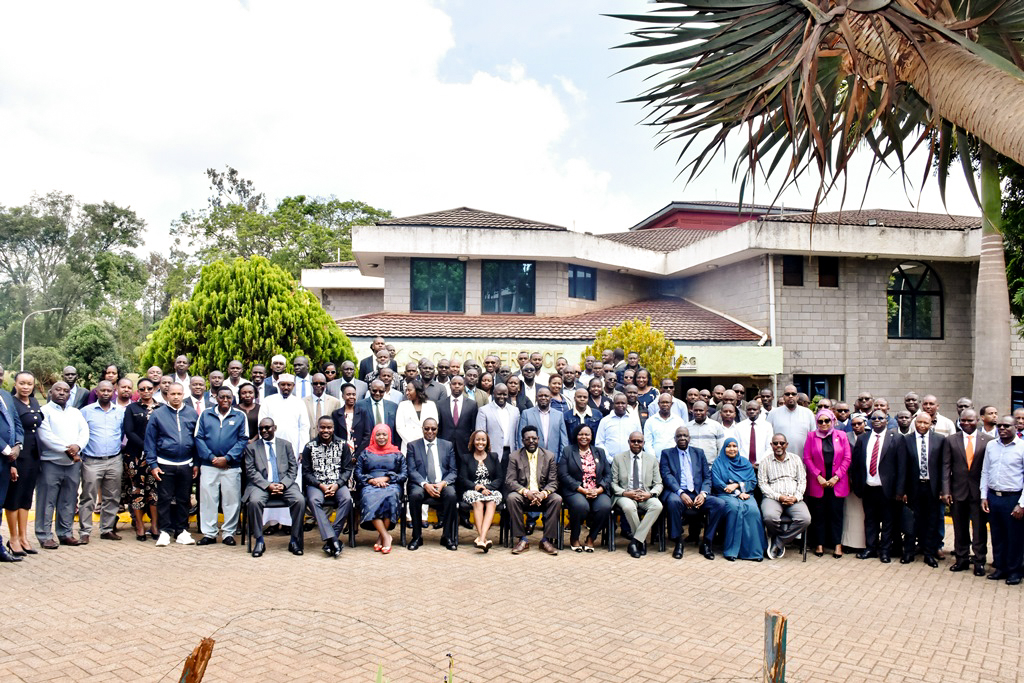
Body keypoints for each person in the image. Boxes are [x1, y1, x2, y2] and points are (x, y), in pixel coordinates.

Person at [35, 382, 89, 550]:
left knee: (68, 500)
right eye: (58, 390)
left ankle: (65, 533)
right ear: (51, 392)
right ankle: (44, 535)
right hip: (51, 462)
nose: (62, 393)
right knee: (47, 501)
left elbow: (84, 431)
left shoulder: (75, 412)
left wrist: (78, 446)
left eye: (66, 391)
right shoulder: (44, 411)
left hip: (72, 464)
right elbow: (45, 436)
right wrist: (68, 449)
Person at [145, 382, 199, 547]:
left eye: (179, 394)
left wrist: (196, 462)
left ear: (183, 394)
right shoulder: (158, 414)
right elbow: (150, 441)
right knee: (165, 499)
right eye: (172, 394)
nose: (176, 397)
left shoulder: (191, 413)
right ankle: (165, 532)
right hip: (164, 464)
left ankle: (181, 531)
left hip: (186, 464)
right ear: (167, 395)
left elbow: (197, 439)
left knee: (184, 499)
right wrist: (153, 464)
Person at [194, 386, 249, 545]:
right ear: (215, 398)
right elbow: (199, 438)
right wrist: (212, 458)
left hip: (230, 466)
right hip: (209, 465)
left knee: (231, 500)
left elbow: (243, 439)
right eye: (222, 397)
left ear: (233, 399)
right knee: (208, 500)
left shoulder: (240, 415)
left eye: (228, 397)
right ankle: (209, 534)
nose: (225, 400)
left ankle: (228, 534)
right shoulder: (205, 414)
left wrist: (228, 458)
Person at [244, 418, 306, 558]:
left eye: (267, 428)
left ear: (275, 428)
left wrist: (283, 484)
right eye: (261, 428)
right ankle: (259, 540)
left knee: (299, 500)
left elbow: (293, 468)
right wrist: (268, 485)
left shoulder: (285, 445)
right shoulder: (251, 448)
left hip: (285, 484)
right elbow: (251, 471)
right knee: (254, 502)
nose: (264, 431)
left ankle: (294, 540)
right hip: (261, 485)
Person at [660, 426, 723, 560]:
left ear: (689, 438)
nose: (682, 438)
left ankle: (707, 543)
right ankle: (678, 542)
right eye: (679, 436)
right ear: (675, 438)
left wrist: (704, 493)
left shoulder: (699, 453)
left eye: (685, 435)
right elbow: (667, 476)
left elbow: (707, 476)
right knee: (673, 502)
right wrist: (681, 492)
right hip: (677, 492)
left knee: (719, 503)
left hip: (697, 493)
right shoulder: (667, 453)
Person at [258, 373, 310, 533]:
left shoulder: (299, 403)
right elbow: (262, 425)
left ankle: (289, 523)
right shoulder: (268, 401)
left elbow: (304, 427)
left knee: (291, 485)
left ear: (293, 386)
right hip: (271, 449)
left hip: (293, 450)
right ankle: (273, 523)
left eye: (289, 385)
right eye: (283, 385)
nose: (286, 388)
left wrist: (302, 450)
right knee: (272, 480)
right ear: (277, 385)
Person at [850, 410, 905, 563]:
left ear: (887, 420)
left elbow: (901, 467)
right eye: (873, 418)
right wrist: (857, 486)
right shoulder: (863, 439)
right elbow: (856, 465)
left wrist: (900, 490)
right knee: (870, 520)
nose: (877, 420)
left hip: (887, 489)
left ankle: (885, 551)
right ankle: (870, 548)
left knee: (888, 522)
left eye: (880, 418)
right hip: (868, 487)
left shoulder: (897, 438)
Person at [941, 409, 991, 575]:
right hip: (958, 491)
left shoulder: (988, 441)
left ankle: (979, 561)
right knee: (959, 528)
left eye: (970, 420)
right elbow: (946, 466)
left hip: (978, 493)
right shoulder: (951, 440)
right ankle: (961, 559)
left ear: (977, 420)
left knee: (979, 529)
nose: (966, 423)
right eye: (963, 421)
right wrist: (946, 491)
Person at [78, 380, 126, 543]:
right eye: (102, 390)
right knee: (88, 497)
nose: (106, 393)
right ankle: (85, 531)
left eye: (109, 390)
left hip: (114, 459)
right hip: (92, 461)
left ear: (114, 392)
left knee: (112, 496)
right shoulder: (86, 412)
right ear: (96, 392)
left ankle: (107, 529)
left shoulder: (119, 411)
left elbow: (123, 433)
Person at [301, 416, 354, 558]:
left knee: (347, 500)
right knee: (313, 501)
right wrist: (320, 485)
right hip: (317, 485)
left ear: (333, 428)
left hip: (337, 483)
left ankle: (332, 538)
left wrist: (337, 485)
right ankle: (333, 540)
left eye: (329, 427)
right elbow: (306, 472)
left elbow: (347, 469)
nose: (326, 430)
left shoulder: (342, 445)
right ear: (317, 428)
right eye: (322, 427)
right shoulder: (309, 447)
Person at [980, 416, 1024, 584]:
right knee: (997, 536)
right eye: (1000, 426)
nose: (1002, 428)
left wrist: (1022, 504)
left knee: (1015, 537)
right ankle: (1001, 568)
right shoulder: (991, 445)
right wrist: (984, 496)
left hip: (1013, 498)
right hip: (993, 497)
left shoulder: (1022, 447)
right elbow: (985, 471)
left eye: (1007, 426)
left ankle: (1015, 571)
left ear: (1016, 427)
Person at [803, 408, 851, 558]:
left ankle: (837, 545)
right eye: (820, 421)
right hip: (819, 483)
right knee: (819, 515)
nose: (823, 424)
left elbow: (847, 458)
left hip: (838, 482)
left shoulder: (842, 435)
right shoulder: (811, 436)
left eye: (827, 420)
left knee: (836, 515)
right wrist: (818, 477)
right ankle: (819, 545)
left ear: (832, 421)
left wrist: (836, 477)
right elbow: (807, 458)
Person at [505, 425, 561, 555]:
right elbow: (510, 481)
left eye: (534, 438)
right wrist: (526, 492)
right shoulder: (515, 456)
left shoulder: (549, 456)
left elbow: (553, 482)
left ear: (538, 439)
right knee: (512, 498)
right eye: (528, 439)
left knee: (557, 499)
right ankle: (522, 539)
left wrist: (543, 494)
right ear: (522, 440)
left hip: (543, 495)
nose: (531, 441)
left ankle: (546, 540)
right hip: (524, 495)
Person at [406, 418, 458, 551]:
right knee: (415, 495)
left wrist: (443, 483)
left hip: (442, 484)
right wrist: (425, 485)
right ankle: (417, 536)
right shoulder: (413, 446)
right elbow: (411, 470)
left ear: (437, 429)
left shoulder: (447, 445)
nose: (430, 431)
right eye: (427, 428)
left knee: (451, 495)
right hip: (421, 484)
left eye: (433, 429)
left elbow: (453, 471)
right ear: (422, 429)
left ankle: (447, 536)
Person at [4, 372, 41, 556]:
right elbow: (12, 429)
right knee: (14, 498)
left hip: (34, 455)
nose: (26, 387)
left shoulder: (34, 402)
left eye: (29, 384)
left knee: (26, 498)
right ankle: (13, 538)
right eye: (22, 383)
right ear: (15, 384)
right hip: (17, 456)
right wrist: (12, 462)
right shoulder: (11, 402)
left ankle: (24, 537)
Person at [712, 437, 767, 561]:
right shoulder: (718, 463)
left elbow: (752, 481)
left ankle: (754, 551)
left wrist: (738, 485)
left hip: (746, 494)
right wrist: (737, 493)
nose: (732, 449)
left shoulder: (745, 462)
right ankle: (732, 551)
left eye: (734, 446)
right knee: (734, 509)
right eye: (729, 446)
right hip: (725, 495)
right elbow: (717, 483)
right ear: (724, 448)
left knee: (753, 511)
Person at [355, 424, 407, 554]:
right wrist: (371, 480)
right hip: (370, 485)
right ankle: (385, 536)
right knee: (369, 497)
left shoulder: (397, 454)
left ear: (389, 436)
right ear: (373, 436)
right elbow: (358, 473)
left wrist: (386, 479)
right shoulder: (366, 453)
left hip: (391, 485)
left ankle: (381, 537)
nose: (381, 437)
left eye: (384, 434)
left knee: (391, 496)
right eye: (378, 434)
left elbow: (404, 475)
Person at [558, 424, 611, 552]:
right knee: (581, 506)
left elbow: (608, 475)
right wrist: (582, 489)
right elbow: (563, 474)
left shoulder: (600, 452)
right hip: (575, 490)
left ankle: (591, 538)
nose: (584, 437)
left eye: (587, 434)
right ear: (576, 436)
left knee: (605, 506)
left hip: (597, 490)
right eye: (580, 434)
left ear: (591, 436)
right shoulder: (568, 451)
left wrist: (599, 490)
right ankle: (574, 537)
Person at [611, 431, 663, 558]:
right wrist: (625, 493)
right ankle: (641, 541)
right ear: (628, 442)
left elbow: (659, 484)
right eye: (633, 441)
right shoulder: (618, 458)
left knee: (657, 506)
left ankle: (635, 541)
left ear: (643, 443)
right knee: (629, 507)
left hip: (645, 494)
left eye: (639, 441)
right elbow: (613, 483)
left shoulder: (651, 459)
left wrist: (649, 494)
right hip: (625, 494)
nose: (636, 444)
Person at [902, 412, 945, 567]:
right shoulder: (906, 440)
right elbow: (902, 467)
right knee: (911, 521)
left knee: (931, 522)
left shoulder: (940, 440)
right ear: (915, 422)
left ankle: (929, 554)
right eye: (919, 422)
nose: (921, 425)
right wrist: (903, 490)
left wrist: (943, 489)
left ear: (931, 424)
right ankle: (908, 552)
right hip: (913, 487)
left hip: (932, 488)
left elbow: (943, 467)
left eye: (925, 423)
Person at [758, 434, 810, 559]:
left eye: (781, 443)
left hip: (794, 498)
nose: (778, 446)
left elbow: (802, 480)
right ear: (771, 445)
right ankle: (775, 535)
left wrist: (796, 497)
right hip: (773, 498)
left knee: (805, 519)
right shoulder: (765, 462)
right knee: (770, 517)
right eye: (775, 443)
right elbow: (762, 483)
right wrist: (778, 497)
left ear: (786, 444)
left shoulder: (796, 459)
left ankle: (780, 541)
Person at [122, 378, 160, 540]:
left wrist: (154, 449)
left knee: (154, 491)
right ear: (138, 391)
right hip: (135, 456)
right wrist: (147, 447)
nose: (146, 392)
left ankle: (155, 525)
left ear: (154, 389)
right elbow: (129, 432)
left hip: (156, 457)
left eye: (149, 388)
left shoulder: (161, 408)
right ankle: (139, 525)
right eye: (142, 389)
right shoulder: (132, 408)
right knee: (137, 490)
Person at [458, 429, 503, 551]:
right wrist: (477, 487)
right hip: (472, 489)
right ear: (473, 441)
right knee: (477, 502)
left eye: (483, 440)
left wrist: (487, 488)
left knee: (492, 502)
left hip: (490, 490)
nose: (480, 442)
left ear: (487, 442)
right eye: (478, 439)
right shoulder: (465, 458)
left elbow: (499, 478)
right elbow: (462, 478)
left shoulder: (493, 457)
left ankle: (481, 539)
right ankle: (483, 539)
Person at [475, 383, 520, 471]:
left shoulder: (515, 410)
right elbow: (480, 433)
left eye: (504, 394)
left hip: (510, 453)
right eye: (499, 394)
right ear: (493, 394)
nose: (502, 397)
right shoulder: (484, 410)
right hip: (491, 453)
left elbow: (517, 433)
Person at [516, 387, 569, 461]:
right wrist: (523, 459)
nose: (543, 398)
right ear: (536, 398)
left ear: (551, 398)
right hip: (531, 458)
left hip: (553, 459)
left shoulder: (559, 415)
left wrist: (561, 460)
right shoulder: (526, 414)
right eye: (540, 396)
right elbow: (520, 438)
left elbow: (564, 441)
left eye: (546, 396)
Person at [768, 384, 816, 459]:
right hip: (778, 459)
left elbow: (813, 438)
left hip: (803, 459)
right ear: (783, 397)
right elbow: (768, 437)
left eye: (793, 394)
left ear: (797, 397)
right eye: (787, 394)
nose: (790, 396)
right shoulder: (773, 413)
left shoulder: (808, 413)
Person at [595, 393, 641, 464]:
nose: (620, 405)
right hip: (609, 462)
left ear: (627, 404)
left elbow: (639, 441)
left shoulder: (634, 420)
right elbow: (599, 443)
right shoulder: (605, 421)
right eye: (617, 403)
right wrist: (610, 459)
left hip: (630, 462)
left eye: (623, 403)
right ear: (613, 404)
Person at [395, 379, 439, 451]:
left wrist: (424, 441)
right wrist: (413, 443)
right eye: (406, 390)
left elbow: (435, 423)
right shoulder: (403, 405)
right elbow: (399, 427)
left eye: (409, 390)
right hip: (408, 444)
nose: (407, 393)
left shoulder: (431, 405)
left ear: (417, 391)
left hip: (427, 443)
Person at [643, 393, 686, 459]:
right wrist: (653, 460)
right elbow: (647, 443)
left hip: (675, 459)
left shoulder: (679, 421)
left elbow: (683, 441)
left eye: (667, 402)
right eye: (662, 402)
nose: (665, 405)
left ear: (671, 404)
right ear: (658, 404)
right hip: (656, 460)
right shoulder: (650, 421)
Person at [303, 373, 341, 441]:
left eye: (321, 383)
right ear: (311, 384)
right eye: (315, 383)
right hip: (309, 441)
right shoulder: (303, 402)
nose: (318, 385)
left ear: (326, 384)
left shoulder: (335, 402)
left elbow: (337, 424)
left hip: (329, 442)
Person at [737, 400, 773, 468]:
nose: (752, 411)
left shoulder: (767, 426)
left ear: (760, 411)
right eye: (749, 409)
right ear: (746, 412)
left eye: (754, 409)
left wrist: (760, 462)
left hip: (762, 465)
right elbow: (737, 447)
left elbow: (769, 447)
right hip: (743, 465)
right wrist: (745, 463)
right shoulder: (739, 427)